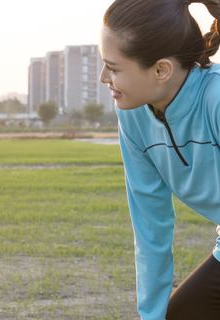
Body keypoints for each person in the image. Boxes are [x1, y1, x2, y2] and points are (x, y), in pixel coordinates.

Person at [100, 0, 220, 318]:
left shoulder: (216, 99)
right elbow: (151, 228)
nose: (103, 78)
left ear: (161, 69)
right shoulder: (133, 115)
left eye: (113, 68)